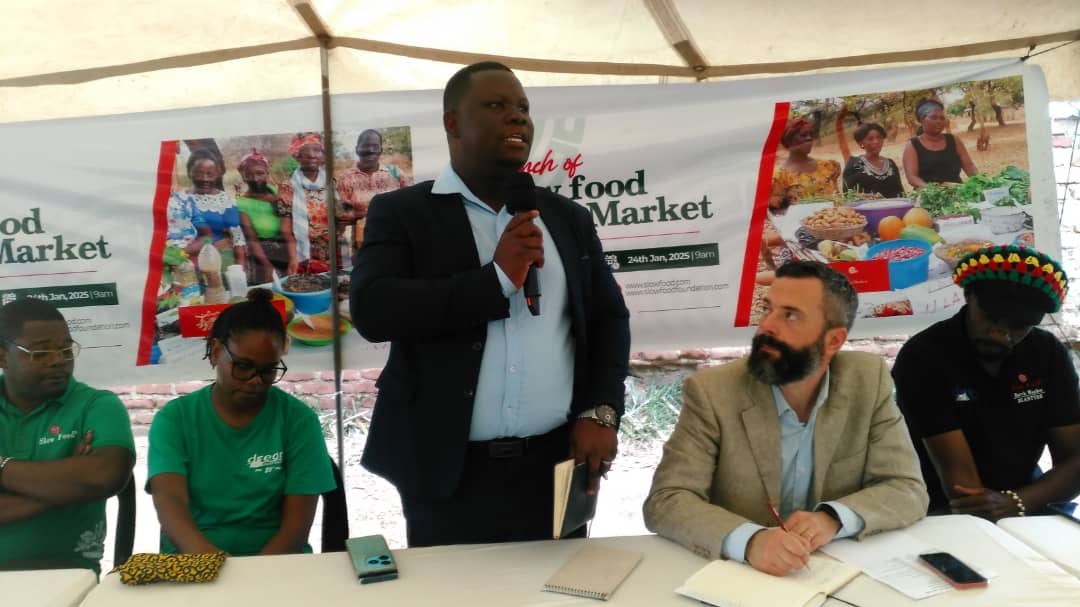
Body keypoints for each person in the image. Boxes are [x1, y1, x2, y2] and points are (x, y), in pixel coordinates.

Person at [350, 61, 631, 547]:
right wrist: (496, 279)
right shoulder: (403, 213)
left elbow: (609, 318)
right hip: (446, 470)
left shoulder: (566, 218)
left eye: (523, 107)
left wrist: (601, 410)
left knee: (557, 586)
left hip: (555, 462)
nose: (517, 117)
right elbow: (374, 311)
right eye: (496, 105)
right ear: (452, 122)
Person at [644, 261, 927, 577]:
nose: (767, 326)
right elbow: (666, 500)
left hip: (832, 572)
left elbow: (907, 488)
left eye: (790, 315)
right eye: (767, 309)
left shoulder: (867, 380)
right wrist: (750, 541)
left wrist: (832, 518)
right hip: (738, 577)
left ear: (833, 341)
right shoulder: (713, 392)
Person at [893, 245, 1080, 520]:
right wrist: (1010, 505)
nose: (1000, 333)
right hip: (935, 508)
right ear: (969, 295)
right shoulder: (924, 355)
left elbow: (1075, 461)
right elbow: (963, 491)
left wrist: (1017, 501)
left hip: (1024, 499)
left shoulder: (1047, 352)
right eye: (991, 316)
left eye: (1019, 325)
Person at [147, 289, 335, 555]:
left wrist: (252, 574)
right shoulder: (175, 419)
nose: (256, 380)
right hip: (194, 560)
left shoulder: (298, 421)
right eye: (243, 366)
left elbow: (295, 529)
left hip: (277, 562)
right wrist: (212, 565)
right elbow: (170, 501)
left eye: (268, 370)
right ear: (215, 352)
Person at [0, 298, 135, 572]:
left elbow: (104, 477)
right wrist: (69, 487)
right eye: (40, 353)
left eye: (65, 349)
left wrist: (3, 467)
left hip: (68, 573)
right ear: (2, 357)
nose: (58, 361)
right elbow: (87, 484)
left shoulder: (96, 405)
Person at [335, 129, 412, 254]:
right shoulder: (345, 178)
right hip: (362, 244)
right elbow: (343, 214)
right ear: (357, 149)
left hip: (395, 241)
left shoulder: (396, 174)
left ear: (380, 150)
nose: (370, 150)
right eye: (365, 146)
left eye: (375, 146)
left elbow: (410, 206)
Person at [173, 148, 248, 272]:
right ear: (189, 173)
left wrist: (240, 270)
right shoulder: (178, 199)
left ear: (217, 175)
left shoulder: (224, 200)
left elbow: (237, 239)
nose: (205, 179)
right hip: (180, 264)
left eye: (210, 175)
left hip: (218, 261)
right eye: (199, 174)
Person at [278, 133, 330, 275]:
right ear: (297, 156)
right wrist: (293, 258)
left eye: (316, 150)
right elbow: (286, 230)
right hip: (305, 254)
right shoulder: (288, 186)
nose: (311, 155)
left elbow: (340, 215)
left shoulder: (331, 182)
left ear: (322, 155)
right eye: (305, 151)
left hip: (332, 249)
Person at [235, 149, 289, 284]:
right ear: (243, 177)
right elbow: (252, 239)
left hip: (287, 249)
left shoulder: (278, 193)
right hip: (262, 255)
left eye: (260, 173)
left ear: (267, 173)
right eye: (249, 175)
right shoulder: (242, 203)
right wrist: (267, 266)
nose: (255, 179)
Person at [769, 118, 842, 212]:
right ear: (789, 140)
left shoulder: (828, 166)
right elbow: (777, 211)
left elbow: (838, 197)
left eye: (811, 135)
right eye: (803, 135)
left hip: (832, 218)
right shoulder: (780, 176)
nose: (809, 138)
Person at [903, 99, 978, 188]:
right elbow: (912, 177)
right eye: (933, 117)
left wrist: (980, 181)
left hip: (956, 191)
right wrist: (934, 191)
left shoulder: (953, 140)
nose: (939, 121)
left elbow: (969, 166)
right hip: (928, 194)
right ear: (922, 120)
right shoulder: (913, 145)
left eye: (942, 118)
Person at [836, 109, 904, 198]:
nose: (876, 141)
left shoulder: (891, 164)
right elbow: (847, 195)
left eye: (879, 137)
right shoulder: (854, 165)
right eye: (870, 139)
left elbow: (901, 193)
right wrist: (865, 196)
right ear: (860, 143)